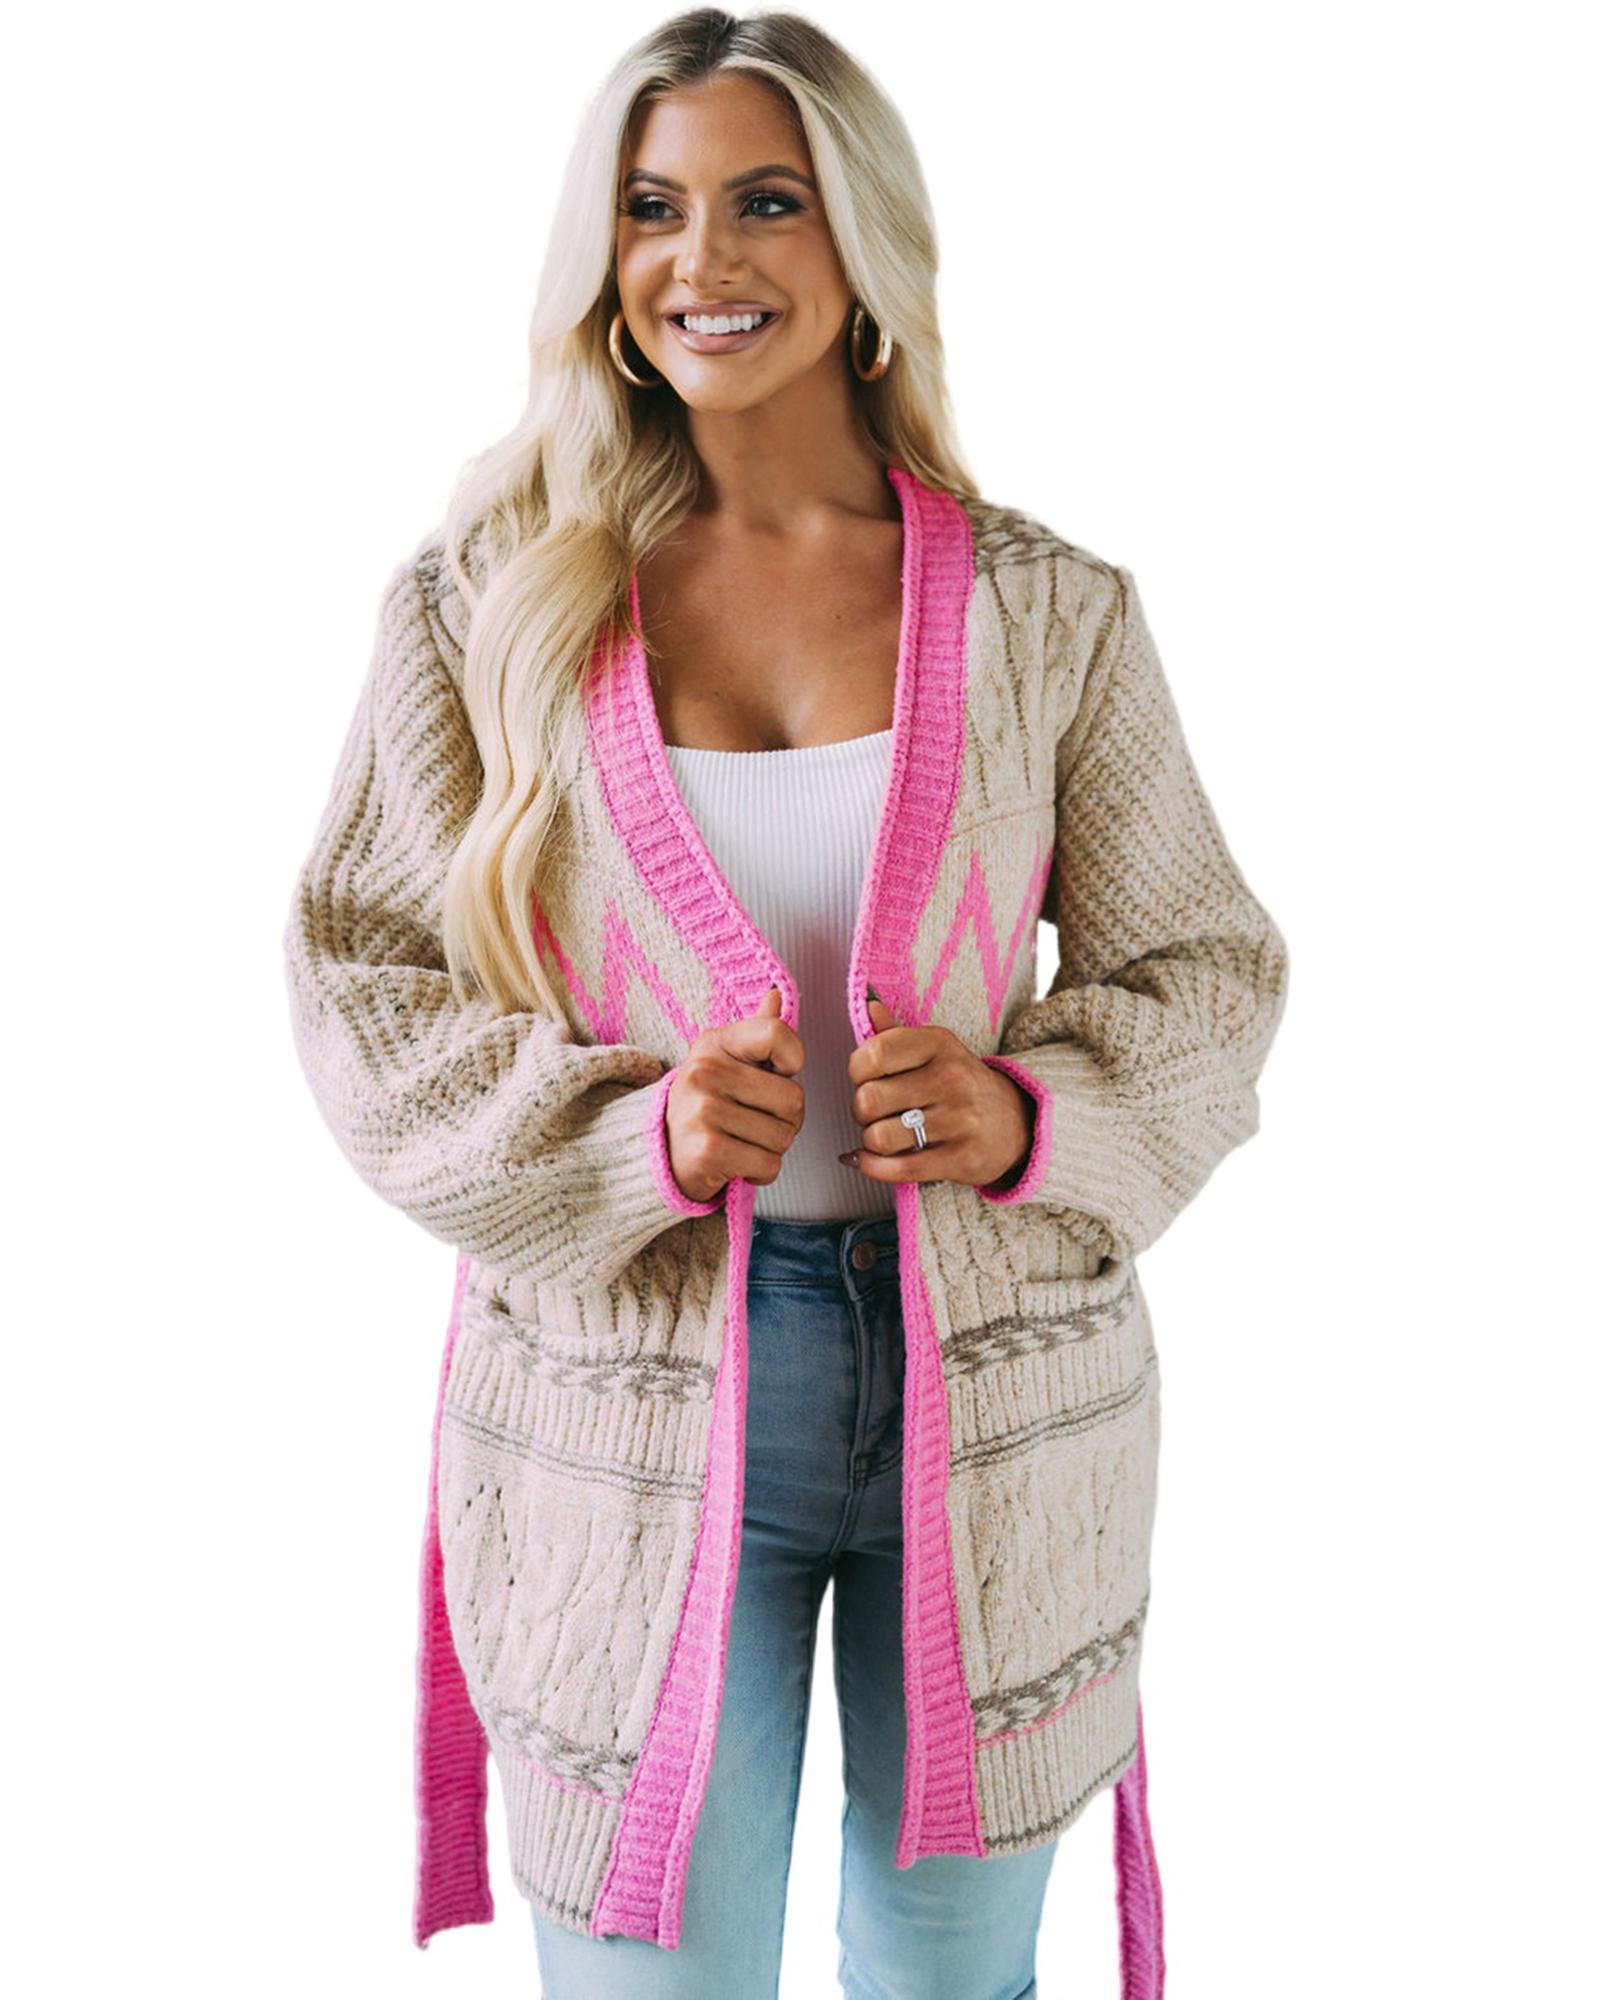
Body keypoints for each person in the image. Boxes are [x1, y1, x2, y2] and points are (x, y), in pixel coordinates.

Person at [282, 10, 1289, 1997]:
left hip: (997, 1394)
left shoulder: (1047, 613)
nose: (702, 259)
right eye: (650, 208)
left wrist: (1030, 1114)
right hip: (621, 1393)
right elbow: (358, 982)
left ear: (861, 244)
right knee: (649, 1965)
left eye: (766, 201)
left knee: (952, 1972)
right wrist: (623, 1136)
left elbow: (1204, 969)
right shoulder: (487, 606)